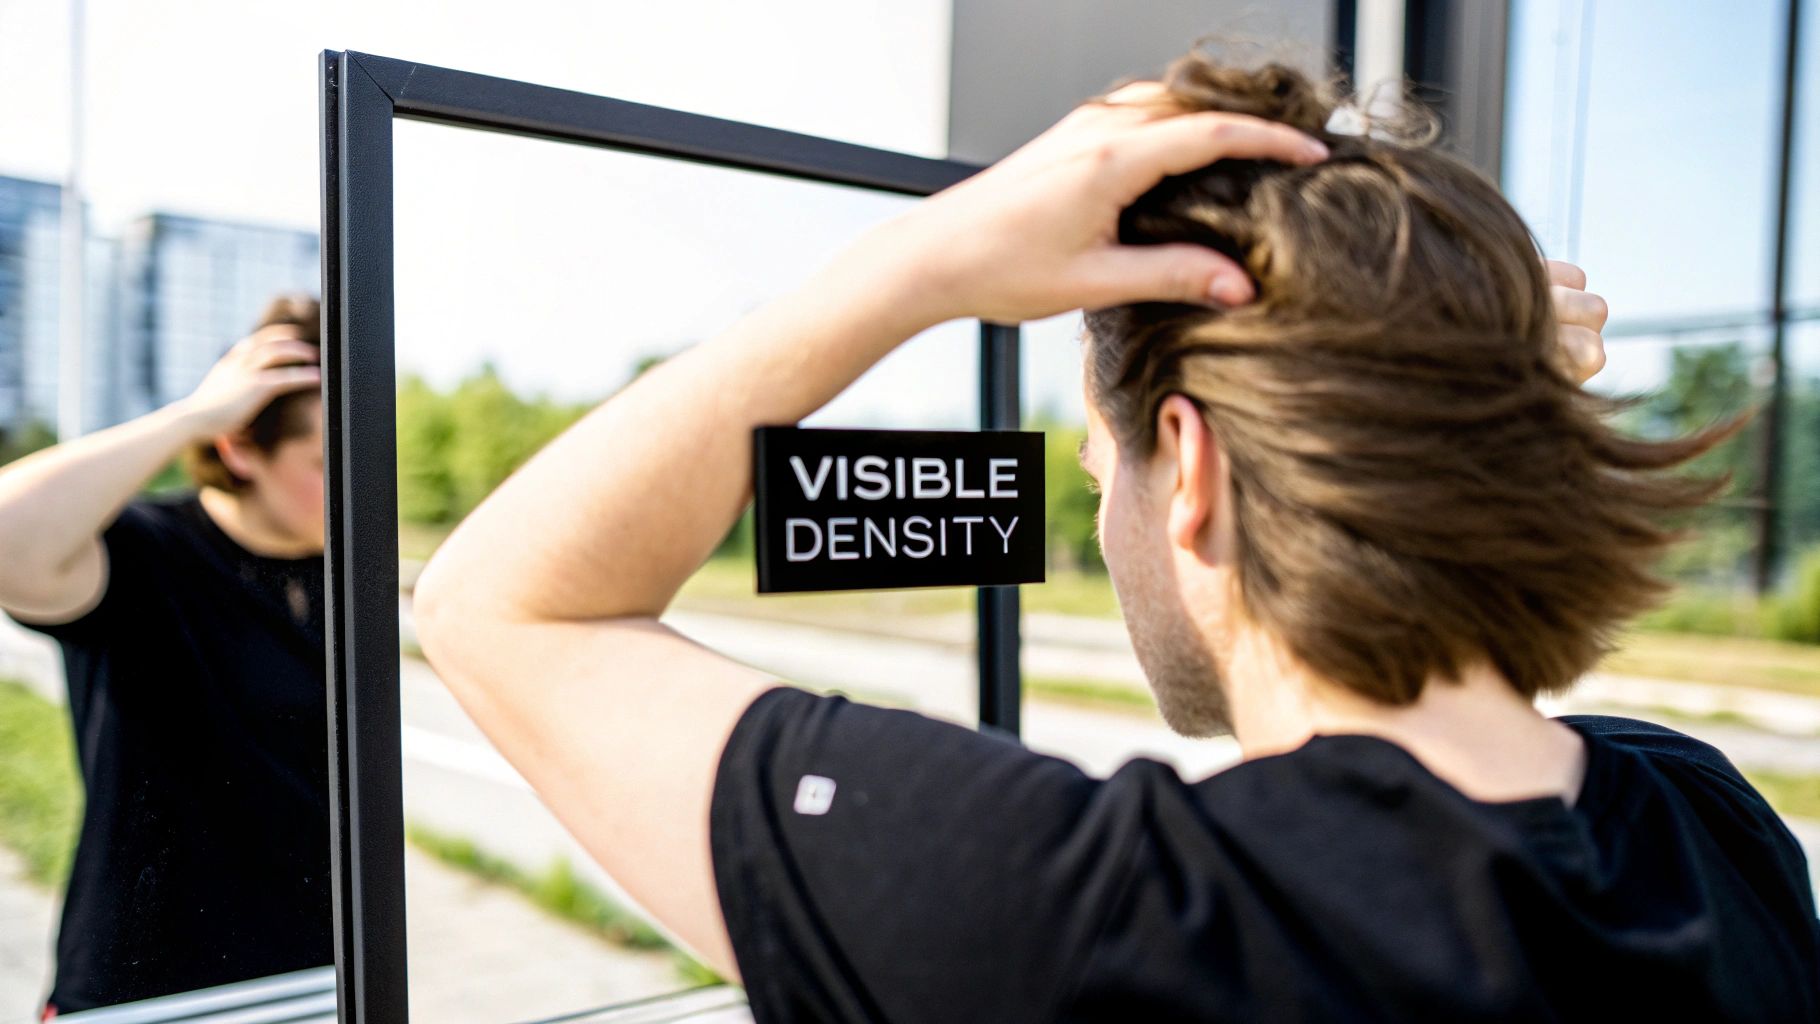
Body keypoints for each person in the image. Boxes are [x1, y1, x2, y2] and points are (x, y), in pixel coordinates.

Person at [412, 49, 1820, 1021]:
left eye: (1104, 469)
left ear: (1188, 469)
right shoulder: (1710, 830)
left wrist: (918, 265)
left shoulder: (1086, 918)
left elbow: (495, 605)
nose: (1106, 499)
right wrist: (1470, 382)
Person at [0, 295, 332, 1018]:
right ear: (240, 449)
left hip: (315, 980)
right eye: (324, 460)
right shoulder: (144, 550)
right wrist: (192, 415)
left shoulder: (346, 577)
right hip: (144, 990)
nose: (357, 488)